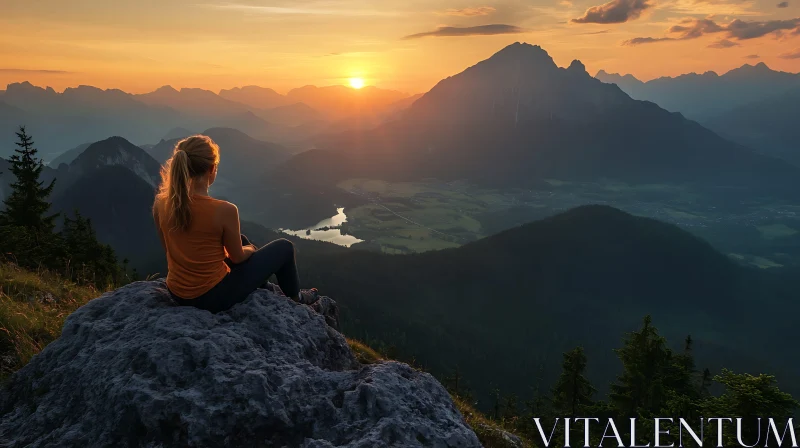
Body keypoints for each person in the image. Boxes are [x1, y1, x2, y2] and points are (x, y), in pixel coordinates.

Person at [152, 135, 318, 313]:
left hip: (176, 292)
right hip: (211, 298)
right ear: (212, 168)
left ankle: (266, 288)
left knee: (240, 239)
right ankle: (297, 299)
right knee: (284, 248)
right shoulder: (224, 210)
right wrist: (251, 250)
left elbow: (169, 249)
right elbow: (237, 258)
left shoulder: (162, 203)